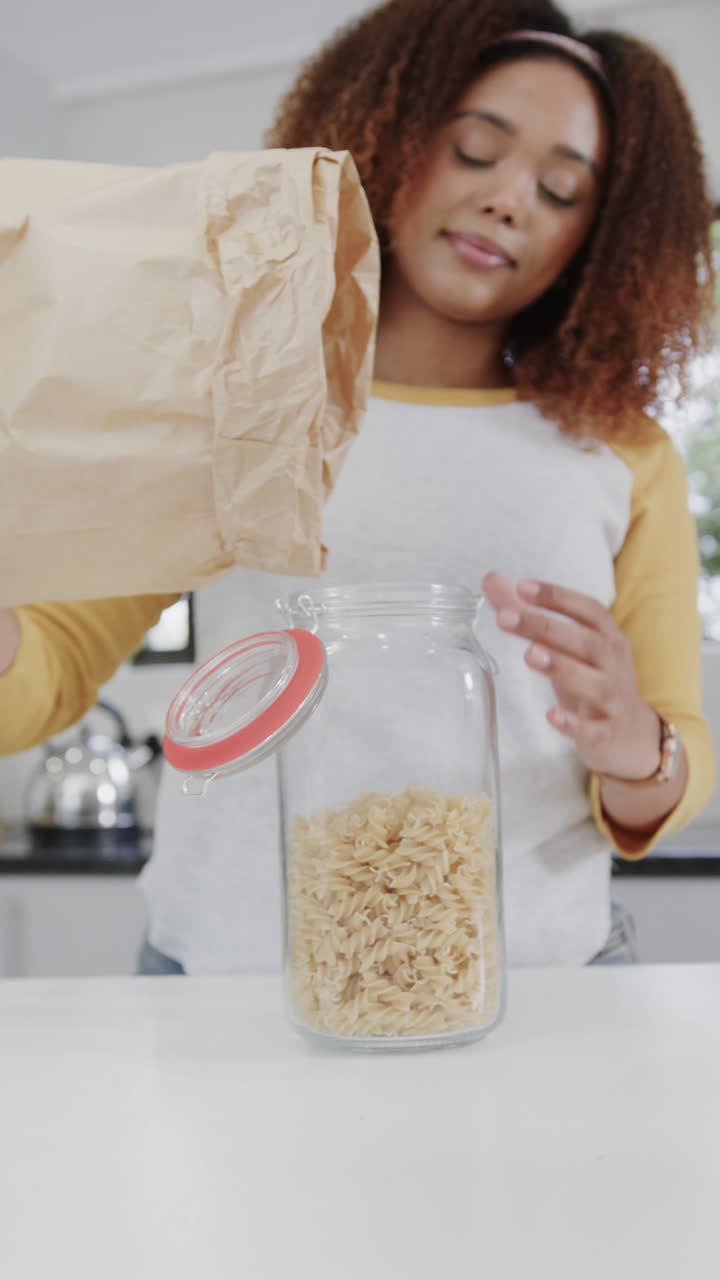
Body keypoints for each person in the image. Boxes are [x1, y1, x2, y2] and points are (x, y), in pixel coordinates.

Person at [1, 0, 715, 971]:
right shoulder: (239, 399)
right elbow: (43, 677)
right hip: (229, 979)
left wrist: (636, 740)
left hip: (533, 988)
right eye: (475, 150)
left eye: (560, 188)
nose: (510, 199)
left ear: (602, 237)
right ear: (386, 137)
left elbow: (663, 773)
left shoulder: (620, 452)